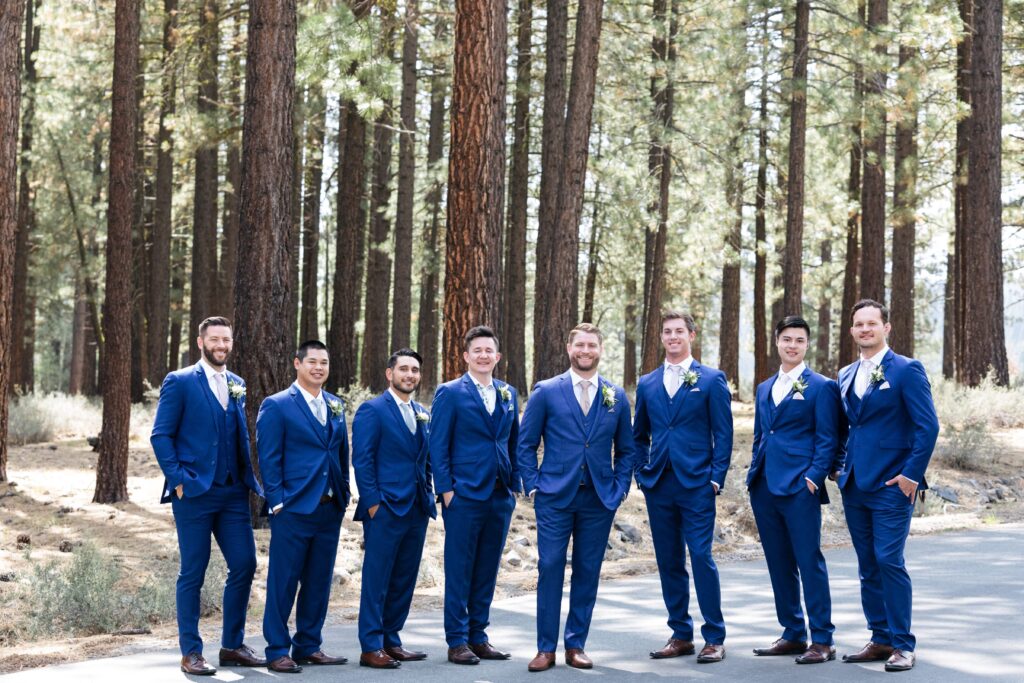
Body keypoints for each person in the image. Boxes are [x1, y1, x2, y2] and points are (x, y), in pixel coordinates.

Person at [518, 323, 636, 672]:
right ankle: (545, 648)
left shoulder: (616, 395)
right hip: (554, 496)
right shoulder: (546, 391)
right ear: (569, 348)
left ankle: (575, 644)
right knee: (550, 566)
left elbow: (626, 450)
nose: (586, 351)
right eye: (580, 345)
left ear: (600, 349)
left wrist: (619, 488)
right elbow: (525, 444)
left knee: (588, 570)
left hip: (599, 498)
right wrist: (534, 484)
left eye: (592, 345)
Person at [151, 316, 265, 675]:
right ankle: (191, 652)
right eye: (214, 339)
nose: (221, 345)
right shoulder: (180, 381)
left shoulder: (237, 383)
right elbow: (160, 435)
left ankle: (232, 646)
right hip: (194, 493)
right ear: (201, 343)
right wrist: (179, 480)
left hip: (233, 493)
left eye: (226, 339)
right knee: (193, 571)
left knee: (245, 563)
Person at [835, 299, 939, 672]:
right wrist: (839, 467)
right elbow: (845, 426)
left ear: (886, 327)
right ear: (852, 330)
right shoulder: (845, 373)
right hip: (854, 483)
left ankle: (903, 643)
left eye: (872, 323)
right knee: (867, 564)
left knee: (889, 560)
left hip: (893, 483)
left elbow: (928, 426)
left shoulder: (907, 370)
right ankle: (879, 638)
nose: (865, 329)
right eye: (859, 324)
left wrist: (911, 475)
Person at [633, 311, 732, 663]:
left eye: (679, 331)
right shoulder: (647, 383)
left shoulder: (711, 379)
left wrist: (715, 478)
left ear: (691, 335)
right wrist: (641, 473)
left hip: (697, 484)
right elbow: (638, 435)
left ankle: (714, 637)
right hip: (659, 483)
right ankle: (680, 634)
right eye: (667, 331)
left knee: (701, 556)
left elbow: (723, 433)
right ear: (661, 337)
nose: (673, 336)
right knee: (669, 560)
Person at [748, 316, 842, 664]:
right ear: (777, 342)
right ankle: (792, 633)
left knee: (808, 560)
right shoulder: (764, 388)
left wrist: (814, 477)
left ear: (807, 345)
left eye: (799, 340)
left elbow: (828, 437)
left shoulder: (821, 386)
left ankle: (823, 639)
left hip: (801, 487)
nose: (792, 345)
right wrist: (753, 473)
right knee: (778, 562)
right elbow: (762, 434)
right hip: (764, 486)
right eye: (787, 339)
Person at [257, 340, 351, 673]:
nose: (319, 368)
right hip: (293, 509)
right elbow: (268, 457)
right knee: (283, 581)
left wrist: (344, 495)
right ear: (297, 364)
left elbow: (341, 453)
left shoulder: (336, 405)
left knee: (318, 581)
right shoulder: (277, 405)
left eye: (324, 362)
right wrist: (278, 502)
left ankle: (308, 645)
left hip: (329, 508)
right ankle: (276, 649)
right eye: (312, 361)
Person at [429, 326, 520, 665]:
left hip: (500, 495)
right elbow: (437, 445)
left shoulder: (509, 393)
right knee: (460, 568)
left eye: (489, 350)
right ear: (466, 356)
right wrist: (447, 491)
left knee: (487, 569)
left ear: (497, 357)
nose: (483, 355)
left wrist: (514, 485)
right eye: (477, 350)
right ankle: (456, 640)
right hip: (464, 495)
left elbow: (513, 441)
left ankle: (478, 636)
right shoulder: (450, 393)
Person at [352, 348, 435, 669]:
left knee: (404, 577)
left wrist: (427, 492)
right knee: (378, 578)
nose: (410, 375)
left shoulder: (422, 412)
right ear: (390, 374)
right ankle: (371, 645)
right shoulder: (372, 410)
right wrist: (373, 504)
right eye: (404, 369)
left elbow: (424, 459)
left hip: (416, 508)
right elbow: (362, 460)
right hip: (385, 508)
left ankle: (392, 639)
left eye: (415, 370)